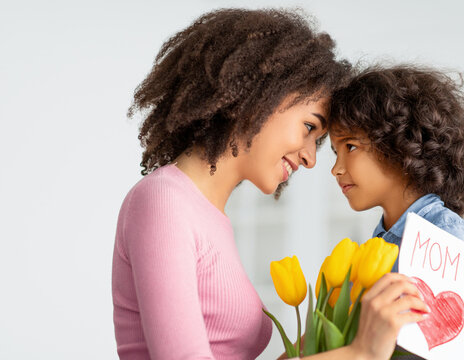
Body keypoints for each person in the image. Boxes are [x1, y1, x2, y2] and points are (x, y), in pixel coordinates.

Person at [112, 9, 428, 360]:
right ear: (262, 95)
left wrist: (323, 342)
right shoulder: (164, 202)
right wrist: (361, 354)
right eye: (310, 127)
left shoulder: (204, 214)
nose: (310, 159)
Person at [328, 65, 464, 359]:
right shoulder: (380, 243)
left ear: (399, 145)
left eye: (350, 147)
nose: (336, 168)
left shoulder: (445, 238)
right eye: (335, 151)